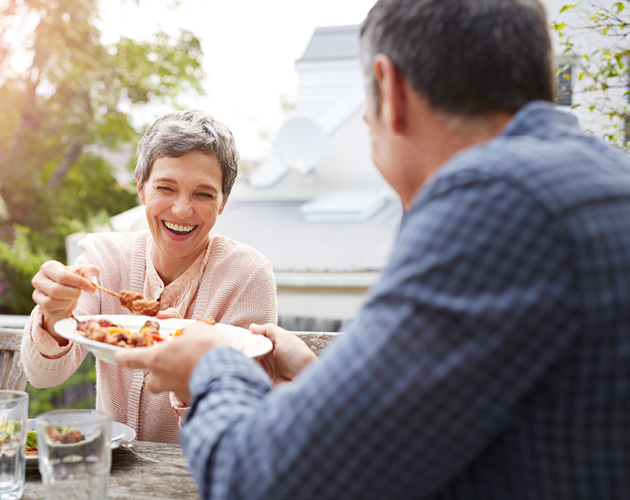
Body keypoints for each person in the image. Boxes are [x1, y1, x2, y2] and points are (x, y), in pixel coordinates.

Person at [116, 0, 630, 498]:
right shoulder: (602, 179)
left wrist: (212, 366)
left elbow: (263, 478)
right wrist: (319, 380)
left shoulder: (493, 201)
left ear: (390, 88)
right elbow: (439, 429)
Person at [23, 110, 277, 444]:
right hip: (111, 473)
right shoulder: (104, 258)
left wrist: (194, 376)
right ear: (141, 189)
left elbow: (242, 428)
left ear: (223, 202)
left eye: (203, 194)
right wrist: (53, 317)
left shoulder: (247, 275)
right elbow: (43, 376)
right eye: (165, 188)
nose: (183, 210)